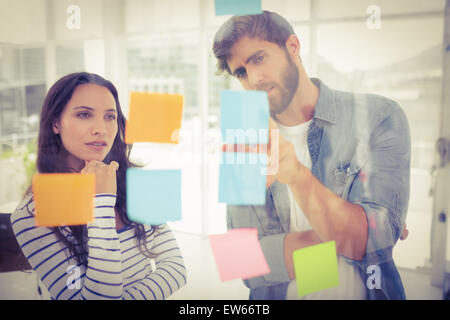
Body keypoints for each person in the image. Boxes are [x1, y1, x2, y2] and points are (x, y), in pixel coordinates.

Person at [213, 11, 410, 300]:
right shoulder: (243, 140)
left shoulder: (379, 117)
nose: (253, 78)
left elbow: (373, 243)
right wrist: (347, 233)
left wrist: (296, 176)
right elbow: (242, 262)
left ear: (293, 47)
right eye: (241, 72)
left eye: (259, 58)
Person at [10, 72, 187, 300]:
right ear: (55, 123)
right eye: (84, 114)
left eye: (110, 116)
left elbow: (176, 269)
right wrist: (101, 203)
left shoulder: (139, 182)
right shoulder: (31, 213)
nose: (101, 129)